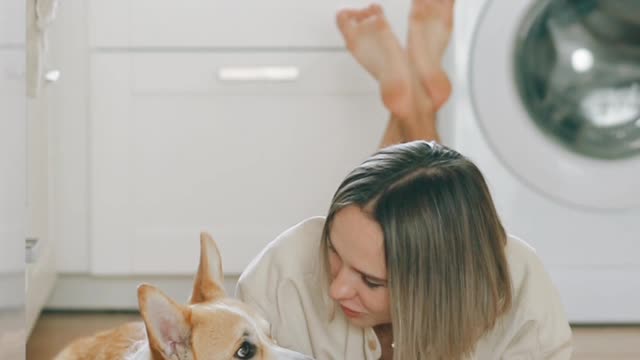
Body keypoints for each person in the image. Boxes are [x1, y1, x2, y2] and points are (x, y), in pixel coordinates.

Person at [236, 1, 573, 359]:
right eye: (333, 250)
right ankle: (416, 106)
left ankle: (415, 104)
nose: (337, 289)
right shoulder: (284, 275)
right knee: (407, 192)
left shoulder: (520, 294)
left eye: (371, 281)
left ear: (440, 284)